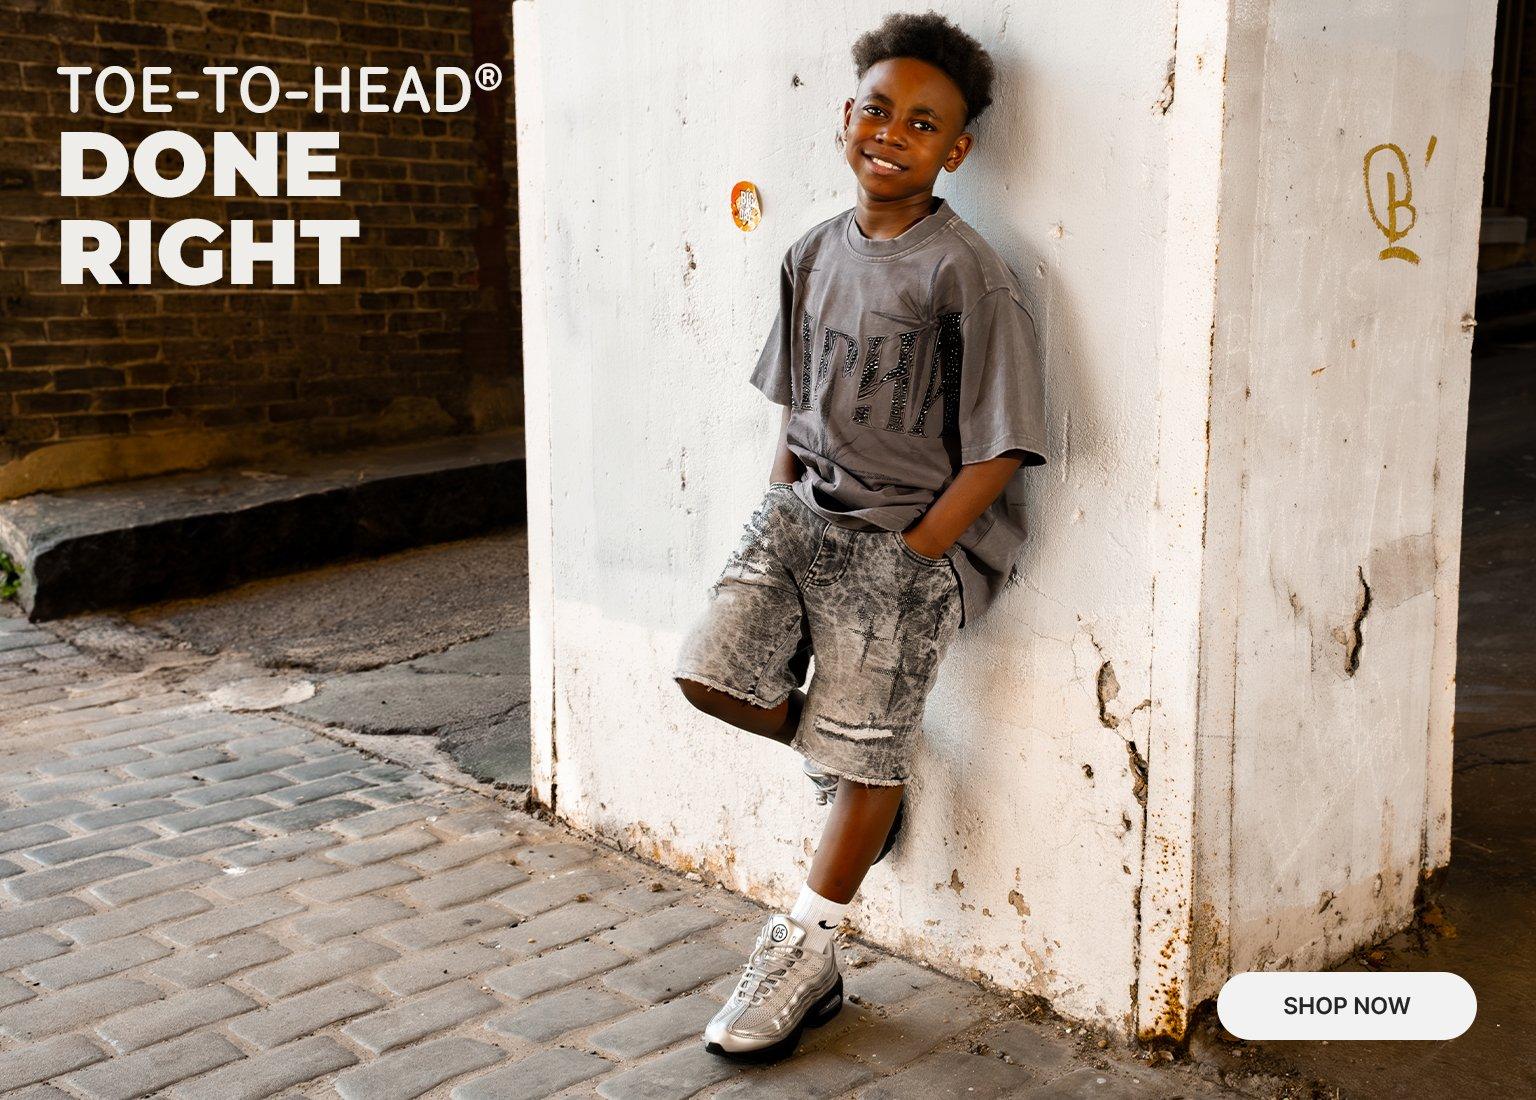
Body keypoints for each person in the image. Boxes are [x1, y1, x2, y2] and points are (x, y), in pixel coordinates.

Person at [672, 10, 1049, 1063]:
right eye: (877, 108)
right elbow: (792, 404)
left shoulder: (964, 271)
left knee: (863, 739)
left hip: (908, 546)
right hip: (803, 516)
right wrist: (782, 500)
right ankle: (858, 771)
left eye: (923, 123)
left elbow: (1003, 445)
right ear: (847, 117)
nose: (893, 131)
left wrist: (920, 550)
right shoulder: (809, 251)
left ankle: (808, 944)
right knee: (708, 672)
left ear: (955, 150)